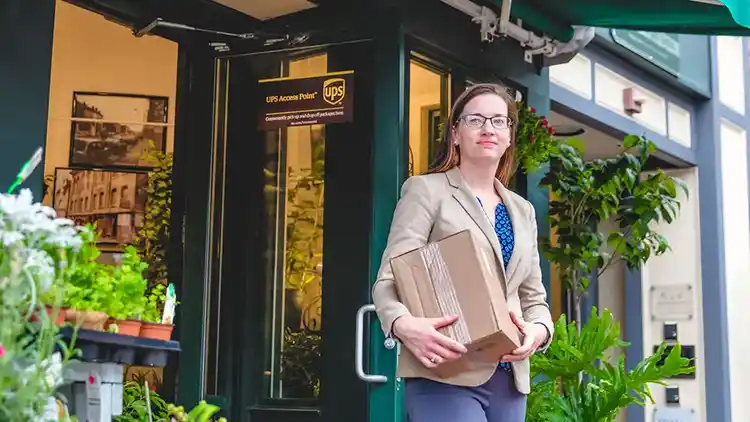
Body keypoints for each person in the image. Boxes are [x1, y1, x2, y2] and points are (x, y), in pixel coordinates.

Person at [372, 83, 553, 422]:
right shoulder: (427, 191)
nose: (488, 128)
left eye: (499, 121)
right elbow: (388, 279)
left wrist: (539, 332)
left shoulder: (523, 210)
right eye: (476, 119)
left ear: (510, 136)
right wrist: (402, 325)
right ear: (455, 133)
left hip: (509, 378)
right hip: (444, 370)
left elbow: (534, 300)